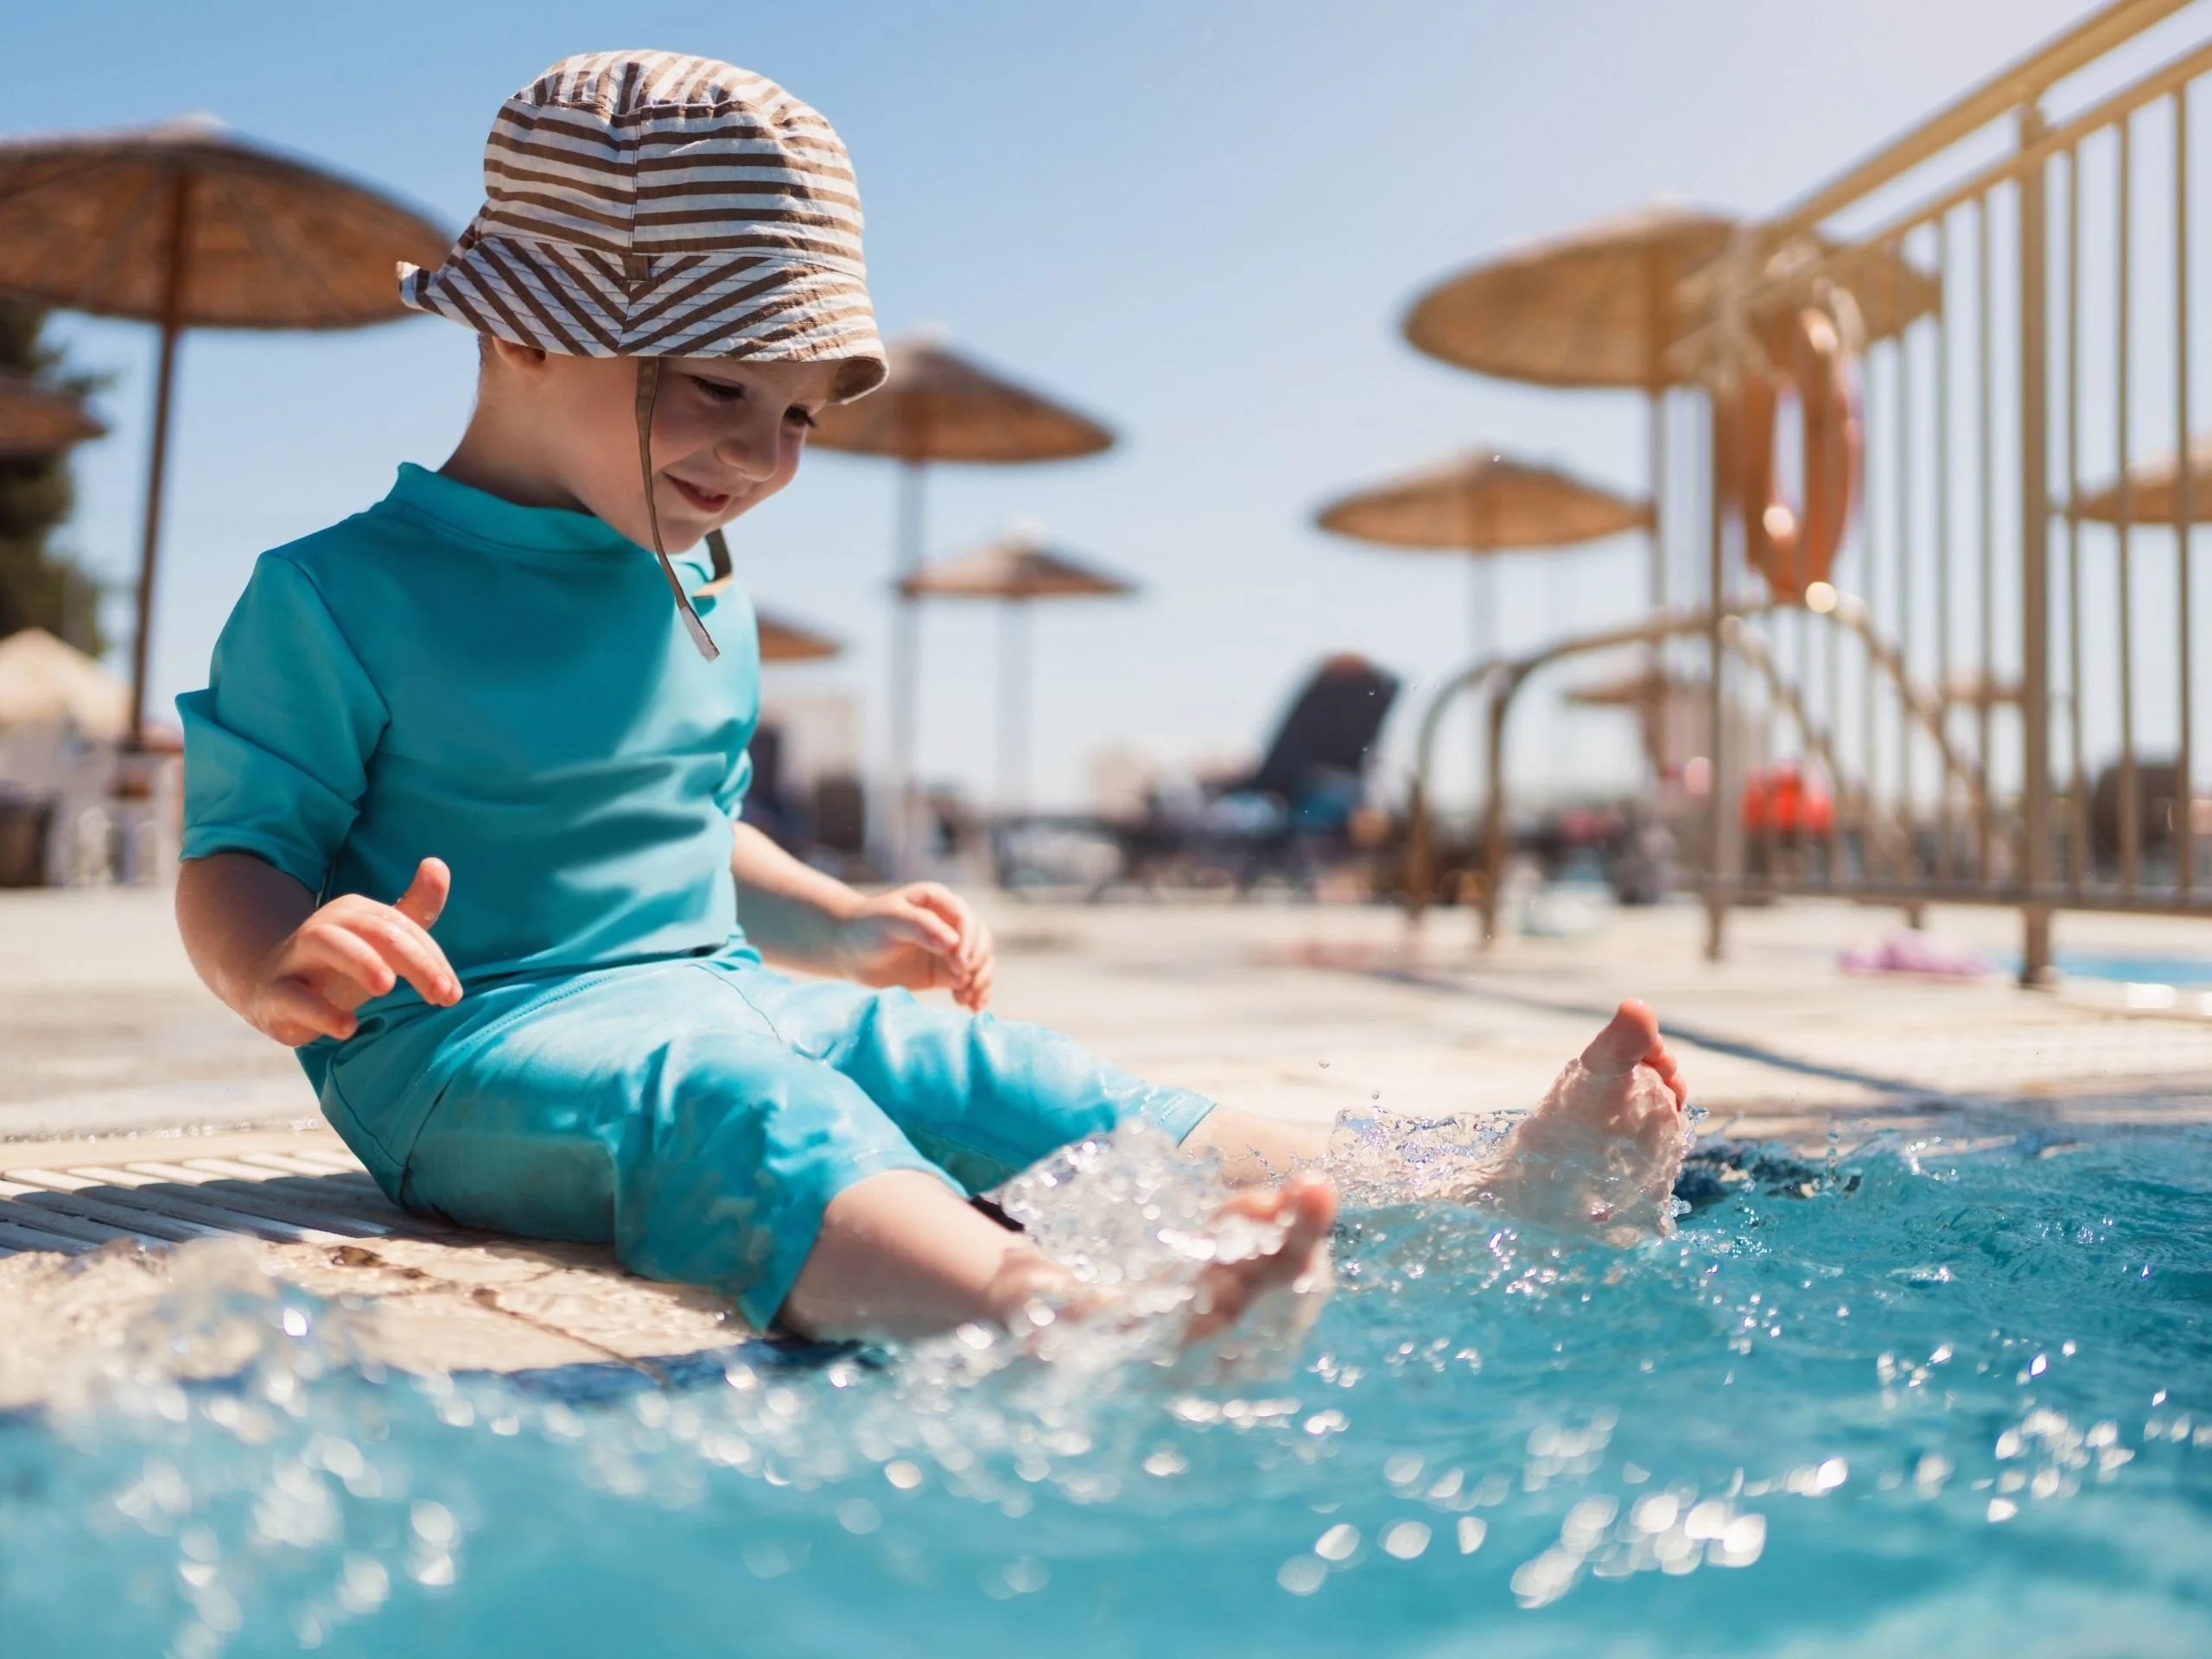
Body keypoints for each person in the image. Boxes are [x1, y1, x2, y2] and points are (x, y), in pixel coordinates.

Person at [173, 52, 1688, 1349]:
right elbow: (236, 855)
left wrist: (833, 920)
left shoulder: (695, 587)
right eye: (715, 387)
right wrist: (272, 965)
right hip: (472, 1043)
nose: (762, 457)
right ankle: (1059, 1320)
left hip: (720, 988)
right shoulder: (337, 596)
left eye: (798, 416)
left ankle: (1473, 1200)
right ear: (522, 327)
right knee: (739, 1113)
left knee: (1000, 1073)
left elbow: (692, 834)